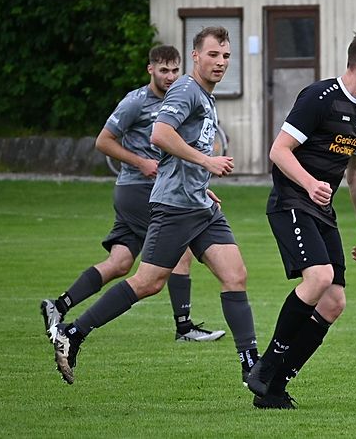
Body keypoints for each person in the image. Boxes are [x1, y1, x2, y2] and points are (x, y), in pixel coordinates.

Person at [48, 26, 260, 388]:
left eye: (226, 56)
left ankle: (251, 368)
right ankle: (73, 332)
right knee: (148, 282)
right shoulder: (186, 89)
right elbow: (160, 134)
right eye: (213, 55)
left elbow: (181, 150)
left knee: (235, 275)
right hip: (175, 207)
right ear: (195, 56)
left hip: (199, 205)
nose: (221, 62)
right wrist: (207, 162)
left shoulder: (206, 96)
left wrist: (201, 184)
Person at [244, 32, 356, 410]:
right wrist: (310, 184)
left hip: (321, 210)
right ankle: (266, 365)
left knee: (334, 302)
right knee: (319, 277)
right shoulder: (319, 97)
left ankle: (274, 388)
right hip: (291, 201)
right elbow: (279, 150)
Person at [40, 45, 225, 344]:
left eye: (174, 70)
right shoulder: (136, 101)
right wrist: (140, 162)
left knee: (120, 262)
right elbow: (103, 141)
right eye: (163, 70)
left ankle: (58, 305)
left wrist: (199, 185)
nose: (170, 76)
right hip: (139, 189)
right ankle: (184, 327)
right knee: (181, 251)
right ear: (150, 69)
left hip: (154, 189)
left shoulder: (182, 98)